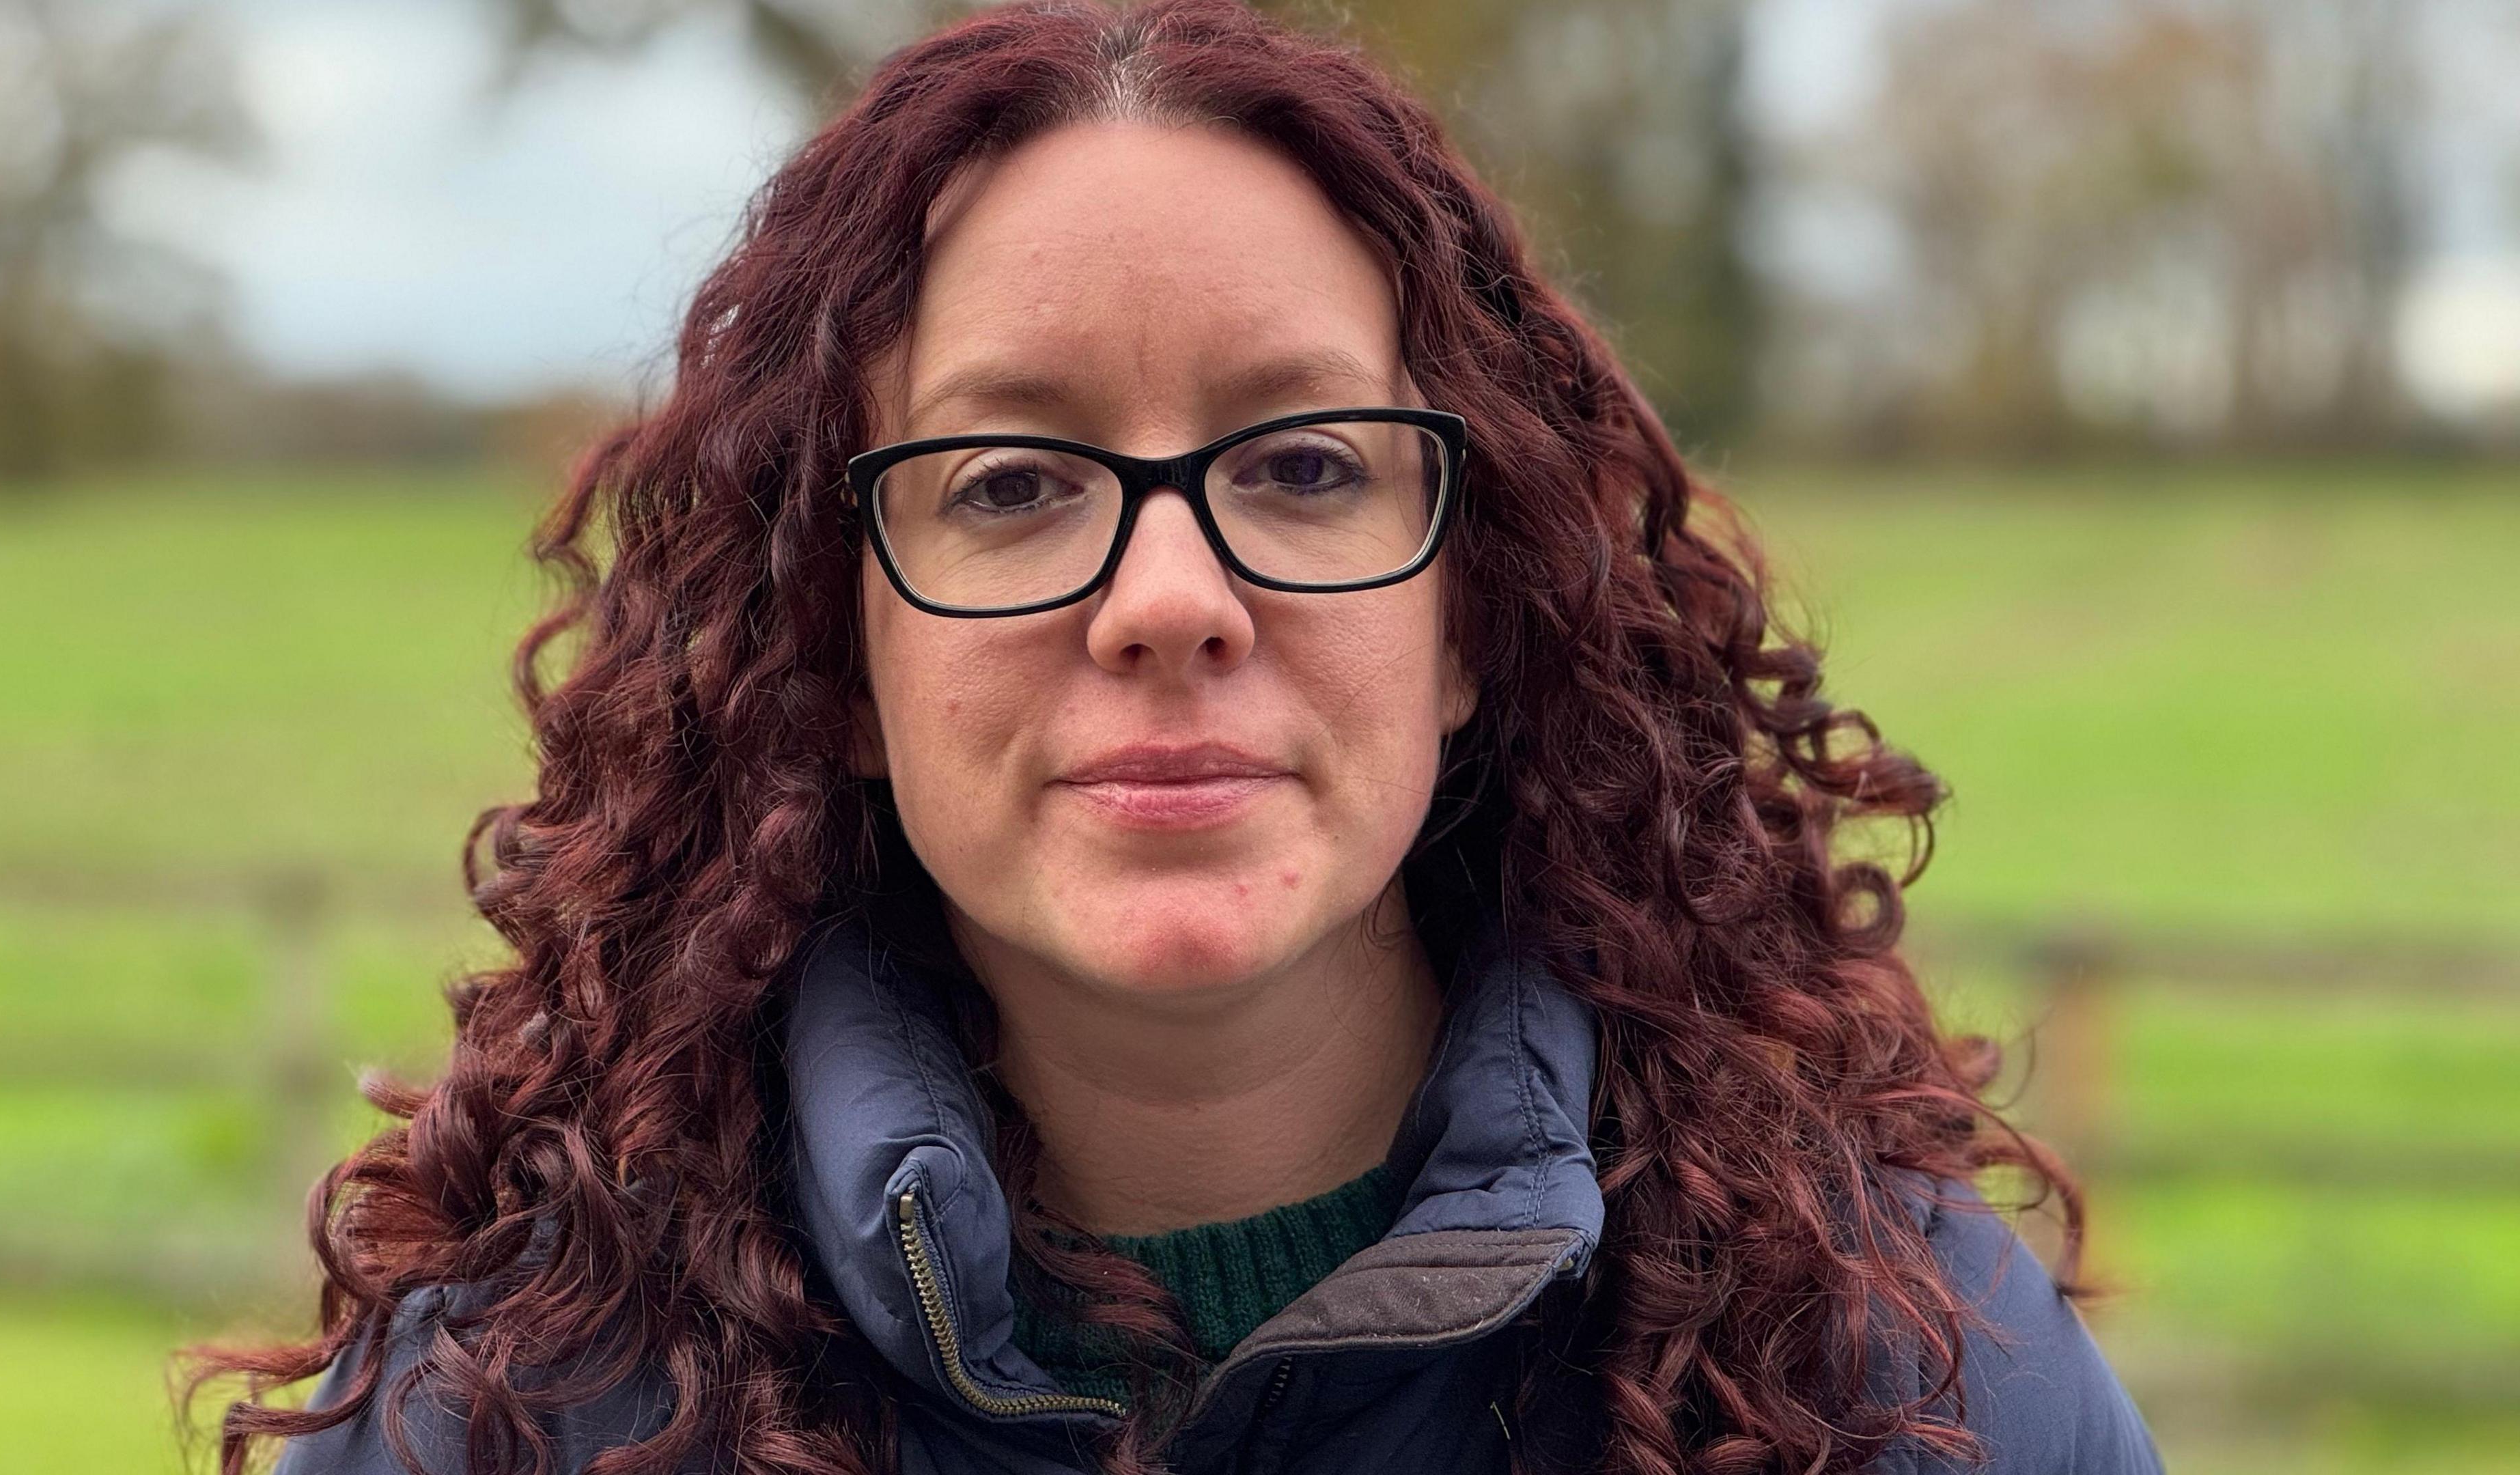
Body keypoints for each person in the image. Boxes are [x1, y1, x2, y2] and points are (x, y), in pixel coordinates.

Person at [182, 2, 2164, 1472]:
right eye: (1011, 484)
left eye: (1302, 464)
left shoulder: (1898, 1368)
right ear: (833, 658)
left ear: (1473, 614)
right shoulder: (515, 1401)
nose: (1168, 598)